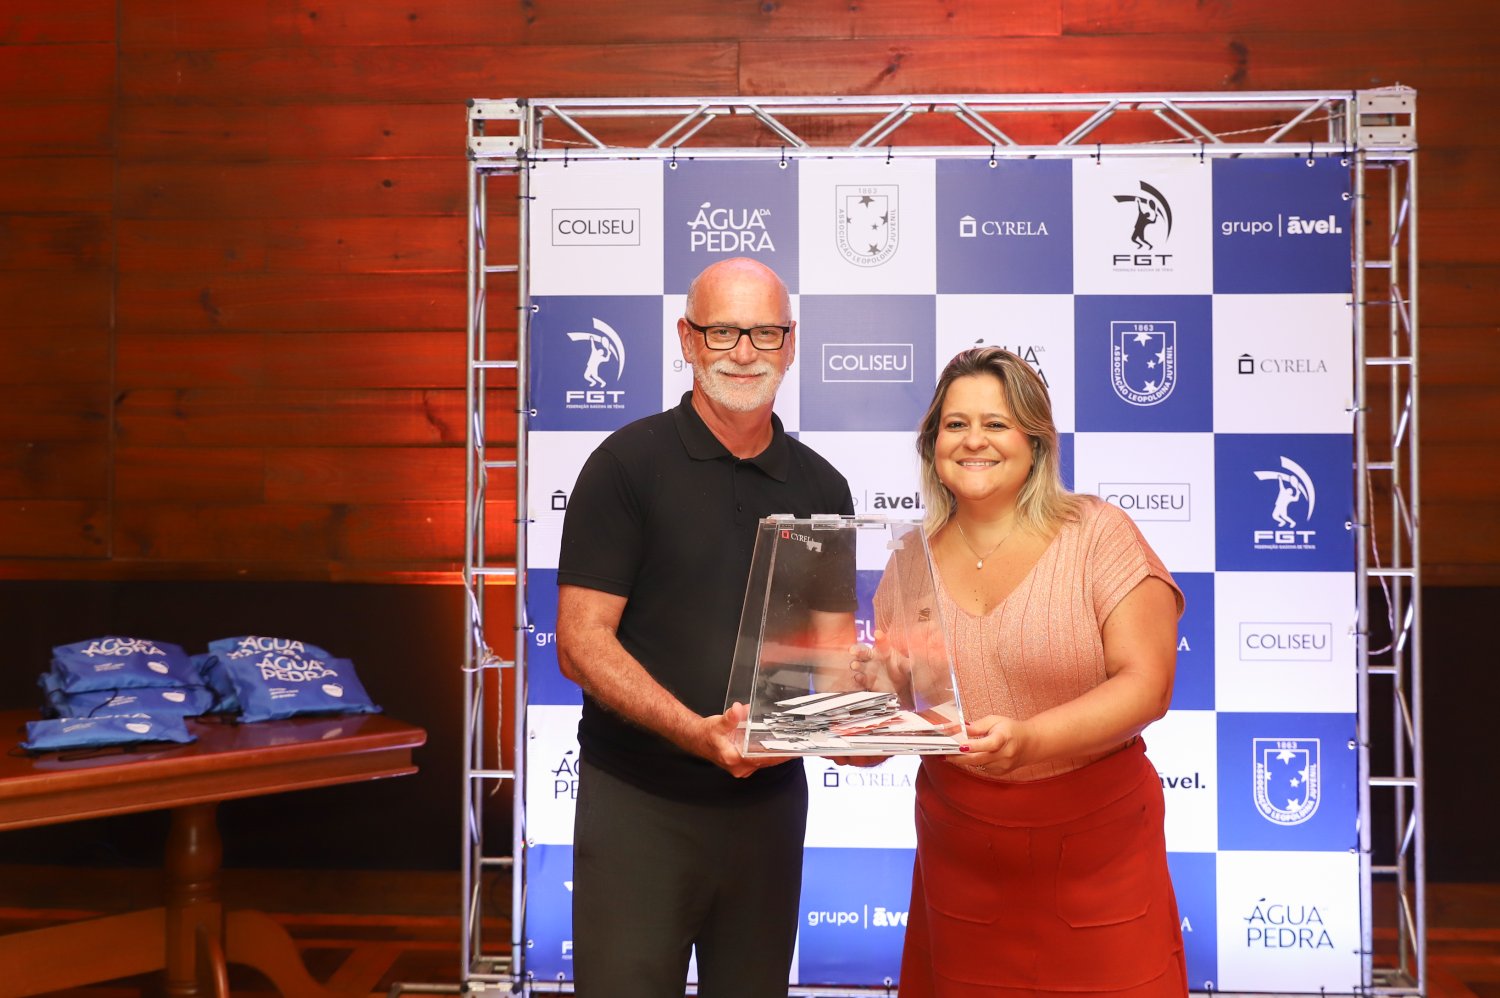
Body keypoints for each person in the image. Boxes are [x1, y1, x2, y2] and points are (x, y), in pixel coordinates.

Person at [554, 257, 855, 998]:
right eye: (723, 332)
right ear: (687, 339)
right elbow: (581, 643)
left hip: (769, 811)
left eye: (764, 333)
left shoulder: (824, 486)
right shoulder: (626, 465)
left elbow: (831, 663)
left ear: (790, 344)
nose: (744, 352)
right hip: (638, 807)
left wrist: (876, 712)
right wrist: (695, 732)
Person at [863, 347, 1187, 997]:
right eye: (956, 424)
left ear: (1035, 442)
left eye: (996, 424)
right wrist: (863, 701)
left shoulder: (1098, 533)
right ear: (932, 444)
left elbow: (1147, 685)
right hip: (962, 859)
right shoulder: (907, 561)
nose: (973, 440)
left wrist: (1032, 739)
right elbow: (898, 720)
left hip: (1099, 854)